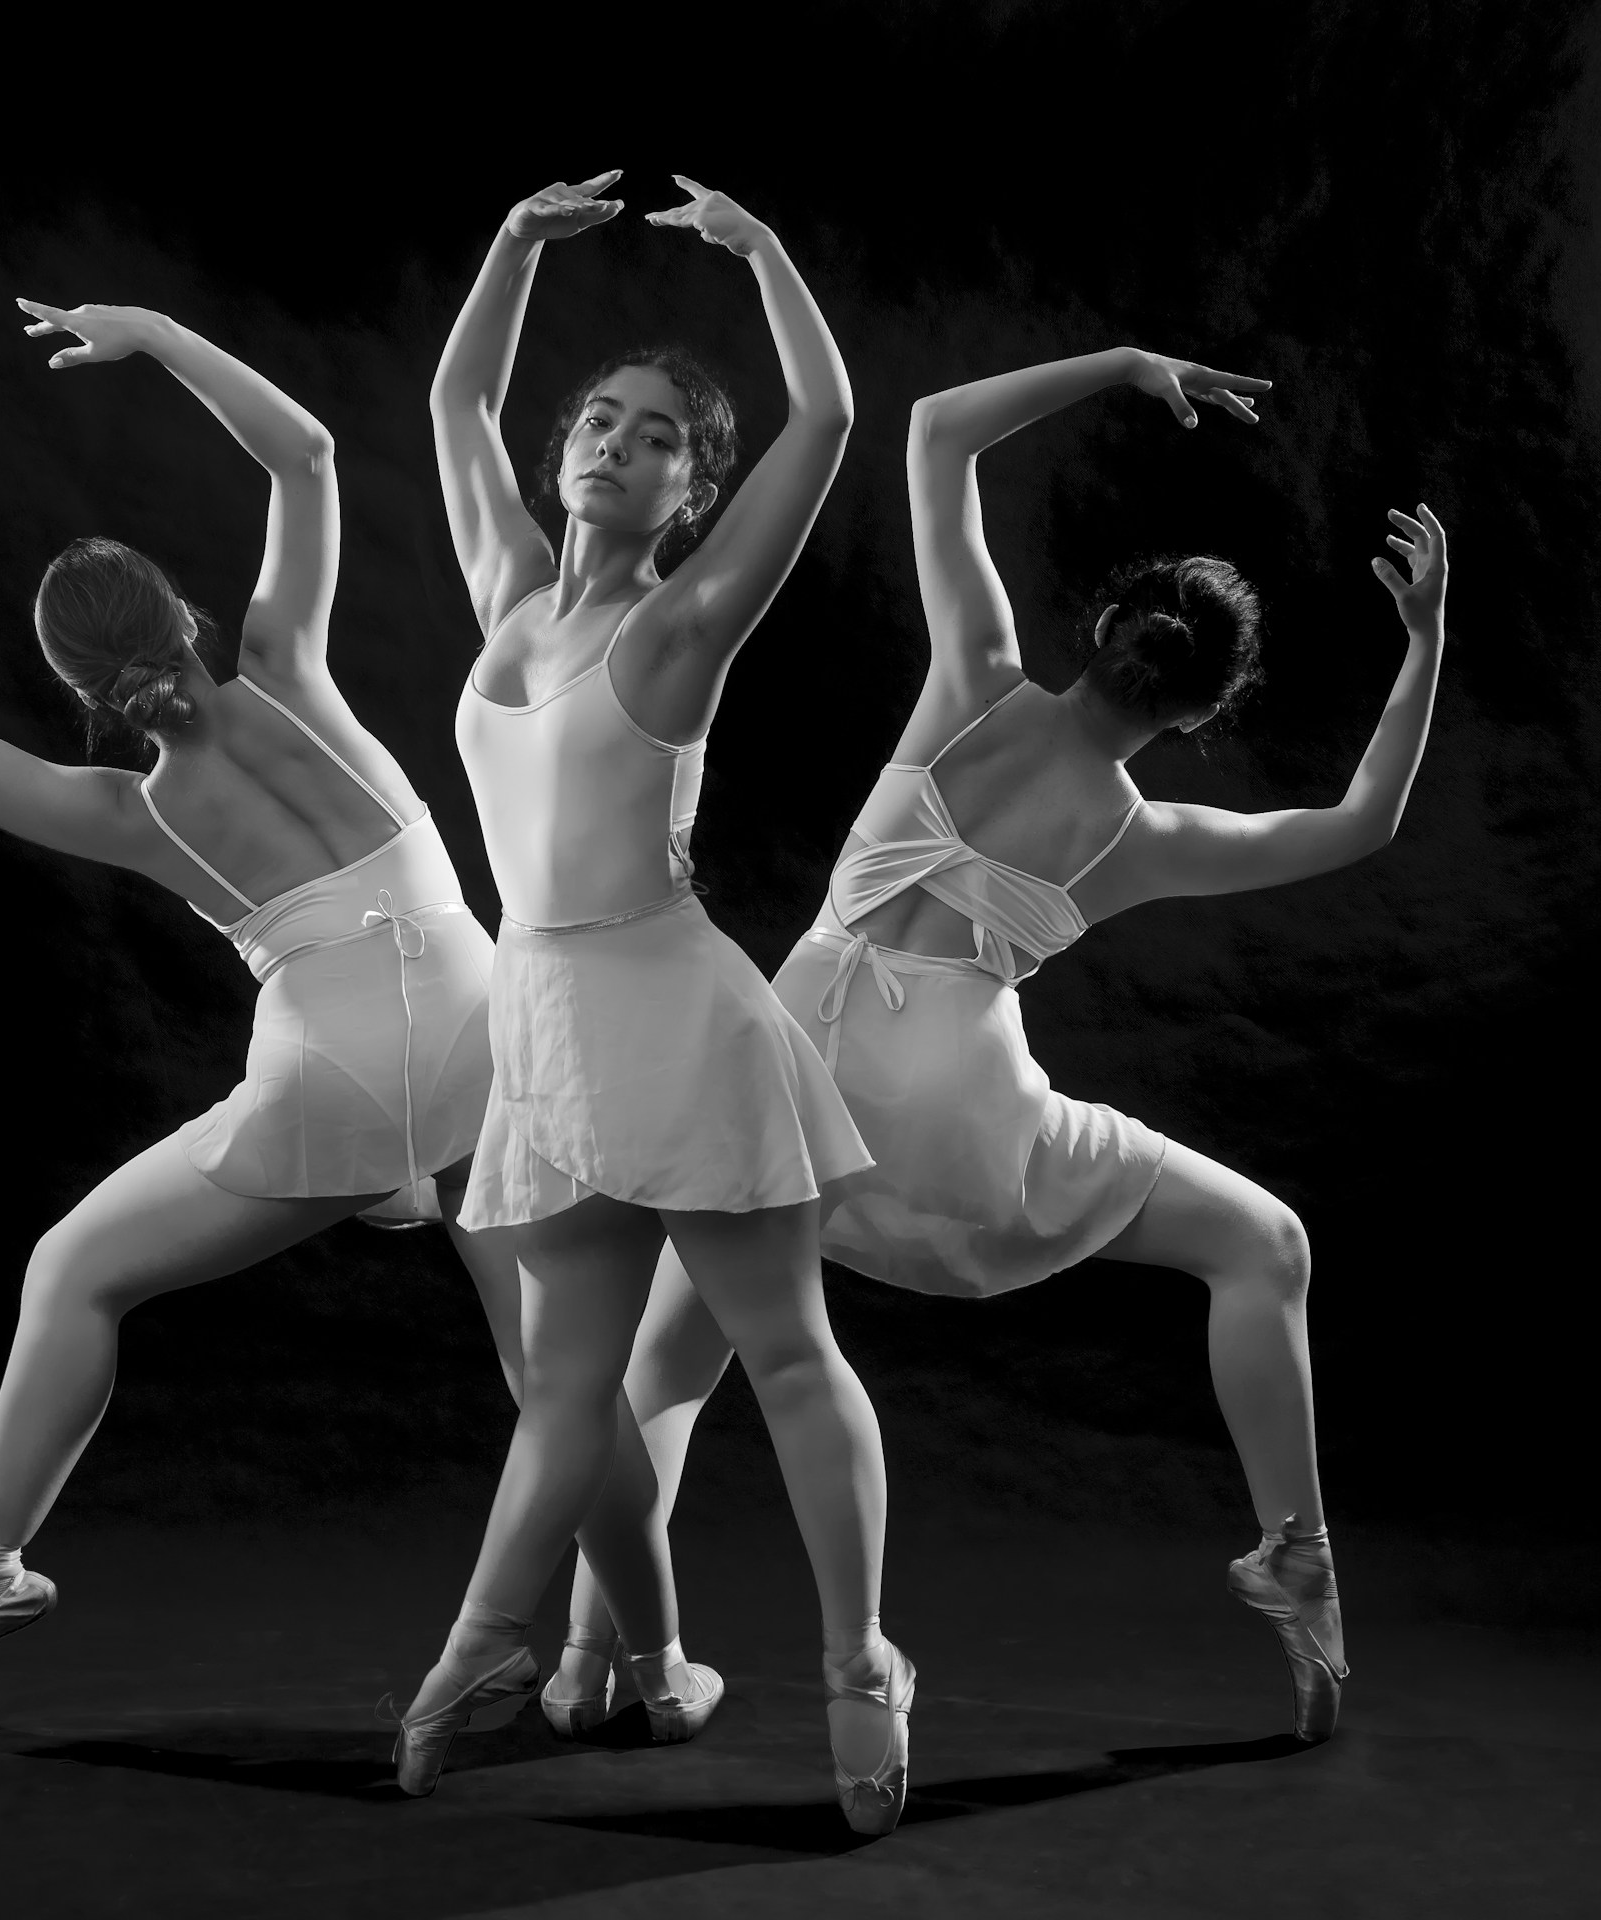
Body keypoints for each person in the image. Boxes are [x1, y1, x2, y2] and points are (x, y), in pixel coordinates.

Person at [566, 345, 1449, 1747]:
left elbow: (931, 432)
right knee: (1263, 1246)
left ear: (1098, 627)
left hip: (788, 1053)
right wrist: (1425, 641)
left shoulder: (969, 684)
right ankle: (1297, 1556)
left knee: (675, 1356)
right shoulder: (1140, 839)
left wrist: (1126, 366)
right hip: (960, 1107)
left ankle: (600, 1655)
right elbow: (1360, 825)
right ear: (1201, 712)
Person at [0, 303, 519, 1733]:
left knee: (73, 1271)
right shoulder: (292, 667)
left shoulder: (133, 808)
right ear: (179, 610)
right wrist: (153, 333)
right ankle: (587, 1646)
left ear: (80, 689)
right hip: (489, 1030)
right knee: (553, 1371)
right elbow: (309, 455)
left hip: (333, 1080)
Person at [390, 173, 912, 1836]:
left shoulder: (686, 621)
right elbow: (455, 396)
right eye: (600, 423)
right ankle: (479, 1654)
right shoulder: (508, 601)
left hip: (677, 1012)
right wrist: (512, 250)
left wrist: (762, 250)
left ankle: (857, 1668)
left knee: (786, 1350)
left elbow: (828, 414)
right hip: (546, 1020)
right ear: (566, 456)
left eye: (658, 437)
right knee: (573, 1388)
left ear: (694, 492)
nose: (617, 443)